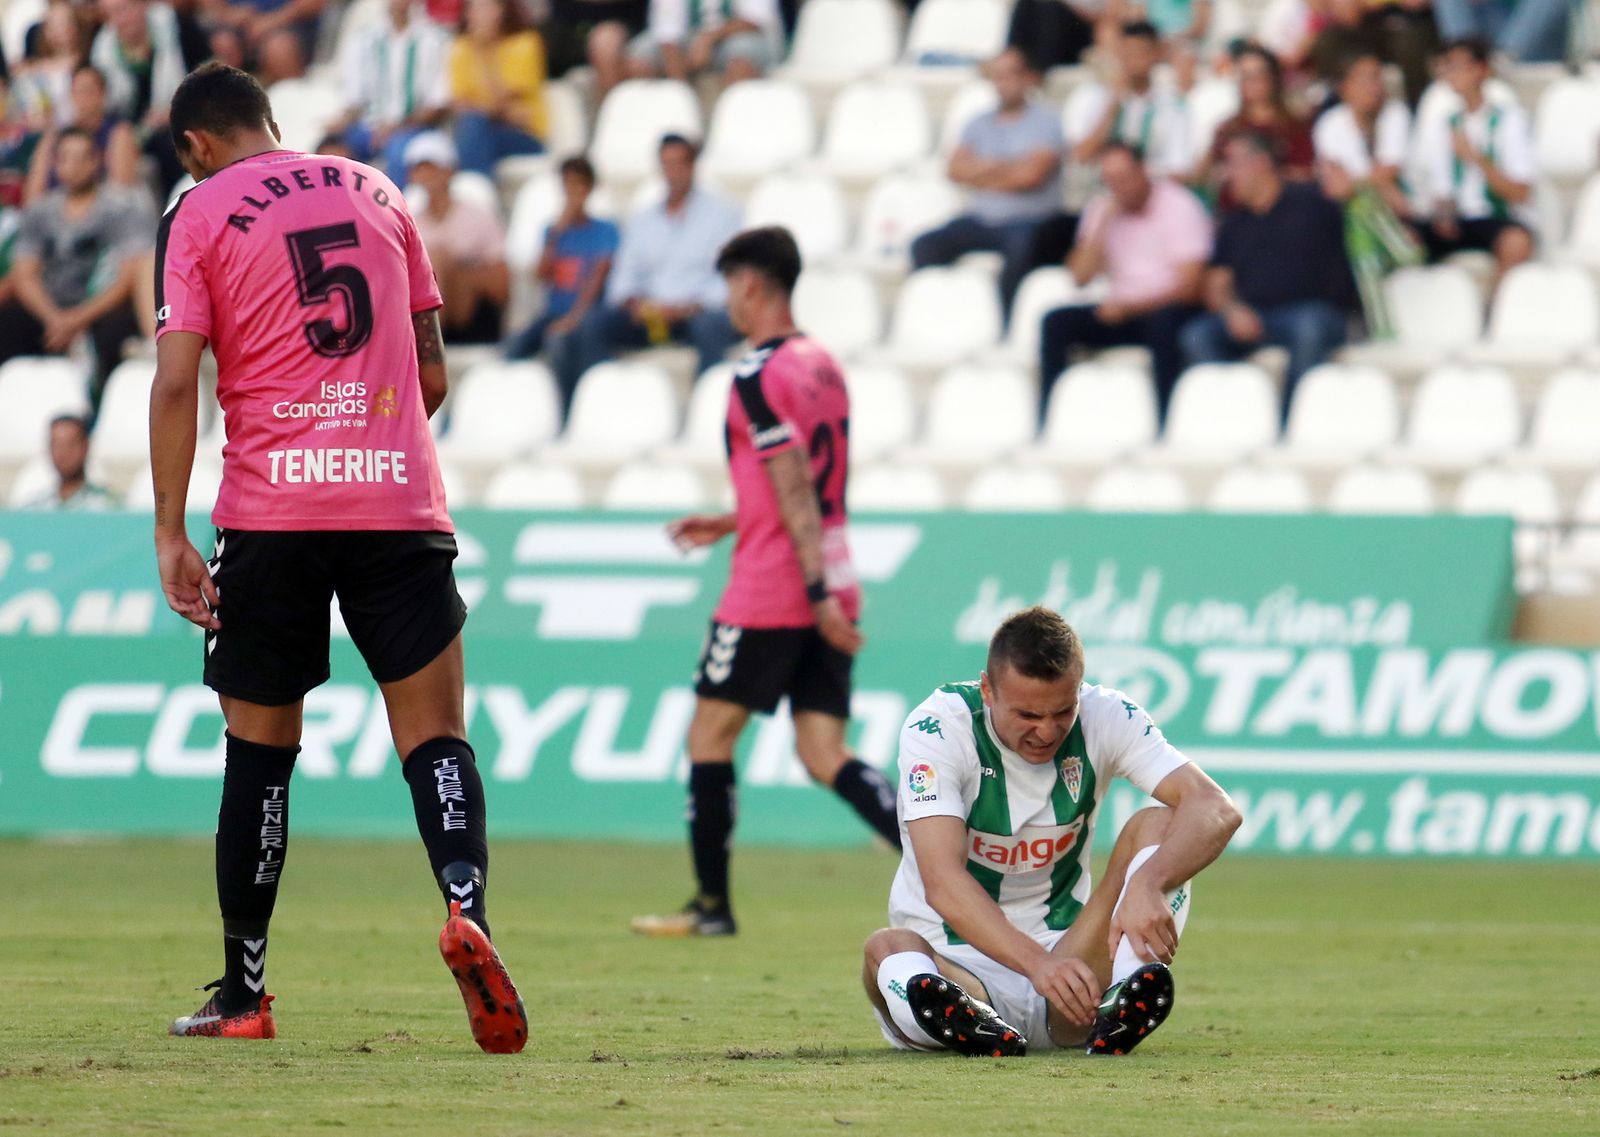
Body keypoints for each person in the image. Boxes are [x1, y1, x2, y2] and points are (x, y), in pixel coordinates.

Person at [150, 62, 525, 1051]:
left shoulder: (195, 213)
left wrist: (166, 529)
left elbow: (176, 380)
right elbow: (431, 367)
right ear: (271, 121)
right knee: (436, 738)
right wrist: (372, 435)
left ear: (195, 143)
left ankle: (245, 992)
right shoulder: (381, 190)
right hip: (398, 503)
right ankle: (466, 912)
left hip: (271, 514)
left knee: (260, 754)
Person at [632, 226, 901, 938]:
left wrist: (809, 594)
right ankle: (945, 864)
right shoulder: (824, 365)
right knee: (823, 752)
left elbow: (791, 483)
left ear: (751, 284)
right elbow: (808, 482)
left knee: (708, 736)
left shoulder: (755, 374)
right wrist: (731, 522)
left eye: (730, 287)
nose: (729, 302)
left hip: (776, 587)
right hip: (834, 571)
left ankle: (711, 908)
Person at [863, 607, 1241, 1057]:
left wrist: (1148, 883)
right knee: (887, 948)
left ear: (1079, 688)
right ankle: (968, 1021)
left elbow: (1216, 808)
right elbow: (942, 881)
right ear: (987, 689)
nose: (1046, 731)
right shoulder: (939, 729)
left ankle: (1120, 1003)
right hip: (957, 968)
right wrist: (1038, 966)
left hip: (1072, 978)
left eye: (1063, 711)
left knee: (1160, 825)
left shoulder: (1108, 714)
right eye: (1026, 714)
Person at [1179, 131, 1355, 424]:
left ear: (1260, 163)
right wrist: (1232, 310)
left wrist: (1348, 198)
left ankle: (1290, 423)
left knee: (1309, 327)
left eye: (1233, 164)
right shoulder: (1234, 224)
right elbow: (1216, 285)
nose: (1227, 174)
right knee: (1196, 334)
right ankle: (1242, 419)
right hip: (1255, 316)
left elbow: (1357, 222)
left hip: (1315, 312)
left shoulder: (1313, 201)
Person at [1038, 142, 1211, 428]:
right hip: (1123, 309)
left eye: (1124, 178)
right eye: (1110, 180)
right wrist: (1102, 225)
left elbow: (1190, 287)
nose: (1119, 187)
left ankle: (1165, 420)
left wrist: (1131, 308)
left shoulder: (1179, 205)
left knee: (1165, 326)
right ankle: (1050, 416)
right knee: (1055, 323)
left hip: (1167, 307)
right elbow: (1079, 278)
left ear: (1142, 171)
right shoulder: (1102, 209)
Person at [569, 134, 741, 396]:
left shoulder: (723, 215)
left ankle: (706, 404)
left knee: (711, 326)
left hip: (695, 314)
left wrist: (691, 306)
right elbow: (624, 276)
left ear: (692, 166)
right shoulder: (643, 219)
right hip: (652, 317)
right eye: (666, 164)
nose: (672, 173)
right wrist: (635, 303)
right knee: (594, 325)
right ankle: (604, 401)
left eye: (678, 164)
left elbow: (730, 276)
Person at [0, 127, 152, 417]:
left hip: (99, 308)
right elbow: (24, 273)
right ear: (56, 164)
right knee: (7, 322)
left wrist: (77, 319)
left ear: (97, 161)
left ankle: (108, 413)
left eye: (83, 157)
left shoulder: (121, 207)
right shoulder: (40, 212)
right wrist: (55, 318)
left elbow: (130, 275)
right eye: (66, 157)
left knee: (116, 329)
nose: (75, 165)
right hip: (51, 309)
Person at [909, 47, 1068, 321]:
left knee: (1022, 248)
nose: (1003, 83)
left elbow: (1032, 177)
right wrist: (1010, 167)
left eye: (1010, 74)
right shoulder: (977, 122)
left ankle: (1005, 323)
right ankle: (936, 318)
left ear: (1027, 77)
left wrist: (983, 172)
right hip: (980, 220)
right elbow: (954, 170)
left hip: (1027, 220)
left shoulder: (1047, 120)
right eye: (997, 76)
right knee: (924, 245)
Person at [1314, 51, 1422, 337]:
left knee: (1362, 209)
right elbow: (1336, 185)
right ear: (1345, 88)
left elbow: (1387, 172)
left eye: (1377, 78)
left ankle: (1381, 328)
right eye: (1365, 79)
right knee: (1361, 210)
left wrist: (1361, 183)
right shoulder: (1331, 123)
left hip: (1400, 207)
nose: (1374, 86)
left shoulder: (1395, 114)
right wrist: (1371, 185)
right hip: (1368, 214)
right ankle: (1403, 249)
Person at [1414, 36, 1534, 293]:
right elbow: (1440, 190)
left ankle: (1496, 312)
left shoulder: (1508, 120)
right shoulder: (1443, 124)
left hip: (1495, 217)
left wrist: (1475, 158)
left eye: (1460, 66)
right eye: (1449, 67)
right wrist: (1443, 214)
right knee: (1408, 238)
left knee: (1516, 242)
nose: (1453, 74)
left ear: (1482, 69)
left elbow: (1521, 192)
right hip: (1459, 220)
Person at [503, 154, 618, 416]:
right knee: (514, 346)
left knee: (560, 343)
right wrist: (555, 236)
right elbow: (540, 276)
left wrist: (573, 319)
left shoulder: (605, 231)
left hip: (585, 314)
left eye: (577, 186)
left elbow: (595, 283)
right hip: (554, 313)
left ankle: (565, 413)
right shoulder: (552, 231)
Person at [404, 130, 509, 344]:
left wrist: (454, 269)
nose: (426, 175)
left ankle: (429, 342)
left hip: (475, 317)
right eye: (420, 169)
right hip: (432, 307)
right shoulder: (411, 223)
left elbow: (502, 285)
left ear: (449, 171)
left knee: (437, 260)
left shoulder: (479, 216)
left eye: (432, 168)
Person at [332, 0, 451, 175]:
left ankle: (394, 202)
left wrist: (395, 128)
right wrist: (340, 123)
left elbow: (437, 103)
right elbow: (354, 99)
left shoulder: (434, 41)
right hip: (369, 127)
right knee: (334, 151)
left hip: (413, 128)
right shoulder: (364, 39)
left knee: (397, 152)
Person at [1194, 43, 1314, 205]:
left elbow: (1306, 174)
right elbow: (1206, 174)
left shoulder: (1295, 126)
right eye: (1245, 76)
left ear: (1273, 78)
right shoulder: (1228, 128)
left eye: (1258, 75)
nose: (1251, 83)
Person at [1069, 23, 1192, 178]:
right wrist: (1114, 104)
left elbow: (1178, 168)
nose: (1132, 61)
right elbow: (1082, 156)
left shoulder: (1172, 106)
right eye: (1126, 54)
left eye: (1140, 53)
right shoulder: (1095, 98)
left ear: (1157, 54)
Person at [446, 0, 547, 177]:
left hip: (525, 136)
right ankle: (477, 190)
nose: (477, 14)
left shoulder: (525, 43)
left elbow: (499, 101)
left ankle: (474, 192)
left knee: (474, 128)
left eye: (485, 7)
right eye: (473, 8)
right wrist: (500, 112)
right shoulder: (460, 47)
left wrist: (484, 50)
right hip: (482, 130)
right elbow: (459, 106)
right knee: (474, 127)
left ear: (502, 10)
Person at [622, 0, 783, 85]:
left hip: (740, 34)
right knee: (639, 60)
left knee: (741, 59)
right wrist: (680, 84)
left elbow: (755, 20)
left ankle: (738, 123)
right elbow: (667, 29)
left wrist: (707, 39)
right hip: (689, 38)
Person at [19, 413, 120, 510]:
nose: (63, 453)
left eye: (70, 444)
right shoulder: (35, 509)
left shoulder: (109, 506)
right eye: (57, 445)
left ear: (86, 447)